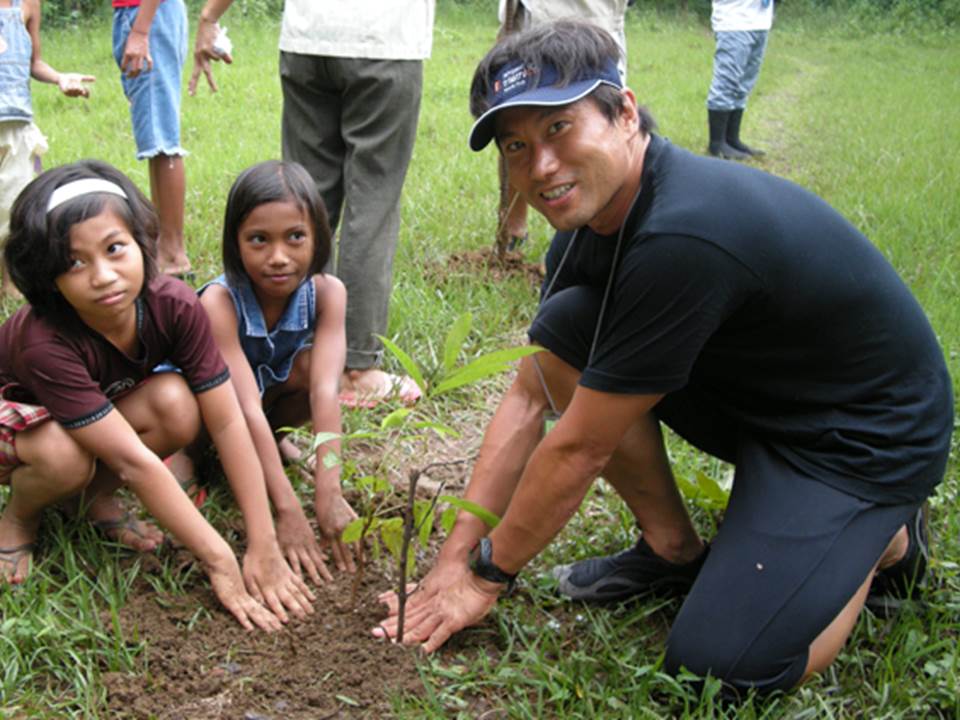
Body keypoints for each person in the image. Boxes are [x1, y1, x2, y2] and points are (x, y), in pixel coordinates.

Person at [373, 20, 953, 695]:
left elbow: (580, 449)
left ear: (623, 111)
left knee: (719, 673)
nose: (540, 166)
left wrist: (484, 577)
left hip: (862, 438)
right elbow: (532, 395)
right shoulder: (589, 228)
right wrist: (452, 558)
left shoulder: (685, 232)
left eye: (559, 128)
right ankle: (672, 549)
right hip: (767, 400)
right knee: (566, 326)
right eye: (516, 146)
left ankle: (880, 539)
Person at [0, 160, 315, 632]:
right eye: (74, 262)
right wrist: (220, 559)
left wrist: (262, 536)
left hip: (88, 415)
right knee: (63, 456)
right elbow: (134, 461)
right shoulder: (45, 340)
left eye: (114, 248)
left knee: (175, 402)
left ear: (142, 243)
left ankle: (88, 500)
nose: (103, 275)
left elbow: (227, 420)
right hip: (20, 420)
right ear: (48, 277)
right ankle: (19, 518)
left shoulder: (174, 305)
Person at [189, 0, 431, 408]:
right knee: (371, 203)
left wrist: (210, 17)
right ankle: (356, 365)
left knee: (305, 200)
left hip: (308, 36)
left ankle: (305, 349)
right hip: (386, 37)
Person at [193, 160, 357, 582]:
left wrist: (329, 486)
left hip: (262, 405)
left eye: (295, 237)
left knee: (309, 372)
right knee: (186, 461)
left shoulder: (327, 293)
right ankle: (194, 459)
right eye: (259, 240)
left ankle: (276, 443)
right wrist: (286, 508)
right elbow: (243, 406)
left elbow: (325, 392)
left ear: (318, 236)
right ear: (236, 243)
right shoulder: (220, 302)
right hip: (211, 414)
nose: (279, 257)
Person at [495, 0, 629, 251]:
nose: (542, 169)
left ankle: (600, 237)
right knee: (516, 125)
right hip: (526, 12)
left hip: (586, 15)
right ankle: (513, 226)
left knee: (590, 123)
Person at [0, 0, 94, 297]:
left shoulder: (27, 4)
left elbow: (34, 63)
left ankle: (11, 281)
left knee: (12, 203)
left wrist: (59, 78)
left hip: (15, 124)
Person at [112, 0, 192, 278]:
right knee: (155, 141)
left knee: (162, 138)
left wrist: (140, 31)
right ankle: (163, 244)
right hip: (143, 15)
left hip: (146, 15)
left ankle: (172, 254)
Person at [706, 0, 774, 159]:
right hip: (734, 19)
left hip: (761, 20)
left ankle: (732, 139)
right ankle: (717, 143)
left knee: (744, 83)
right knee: (727, 80)